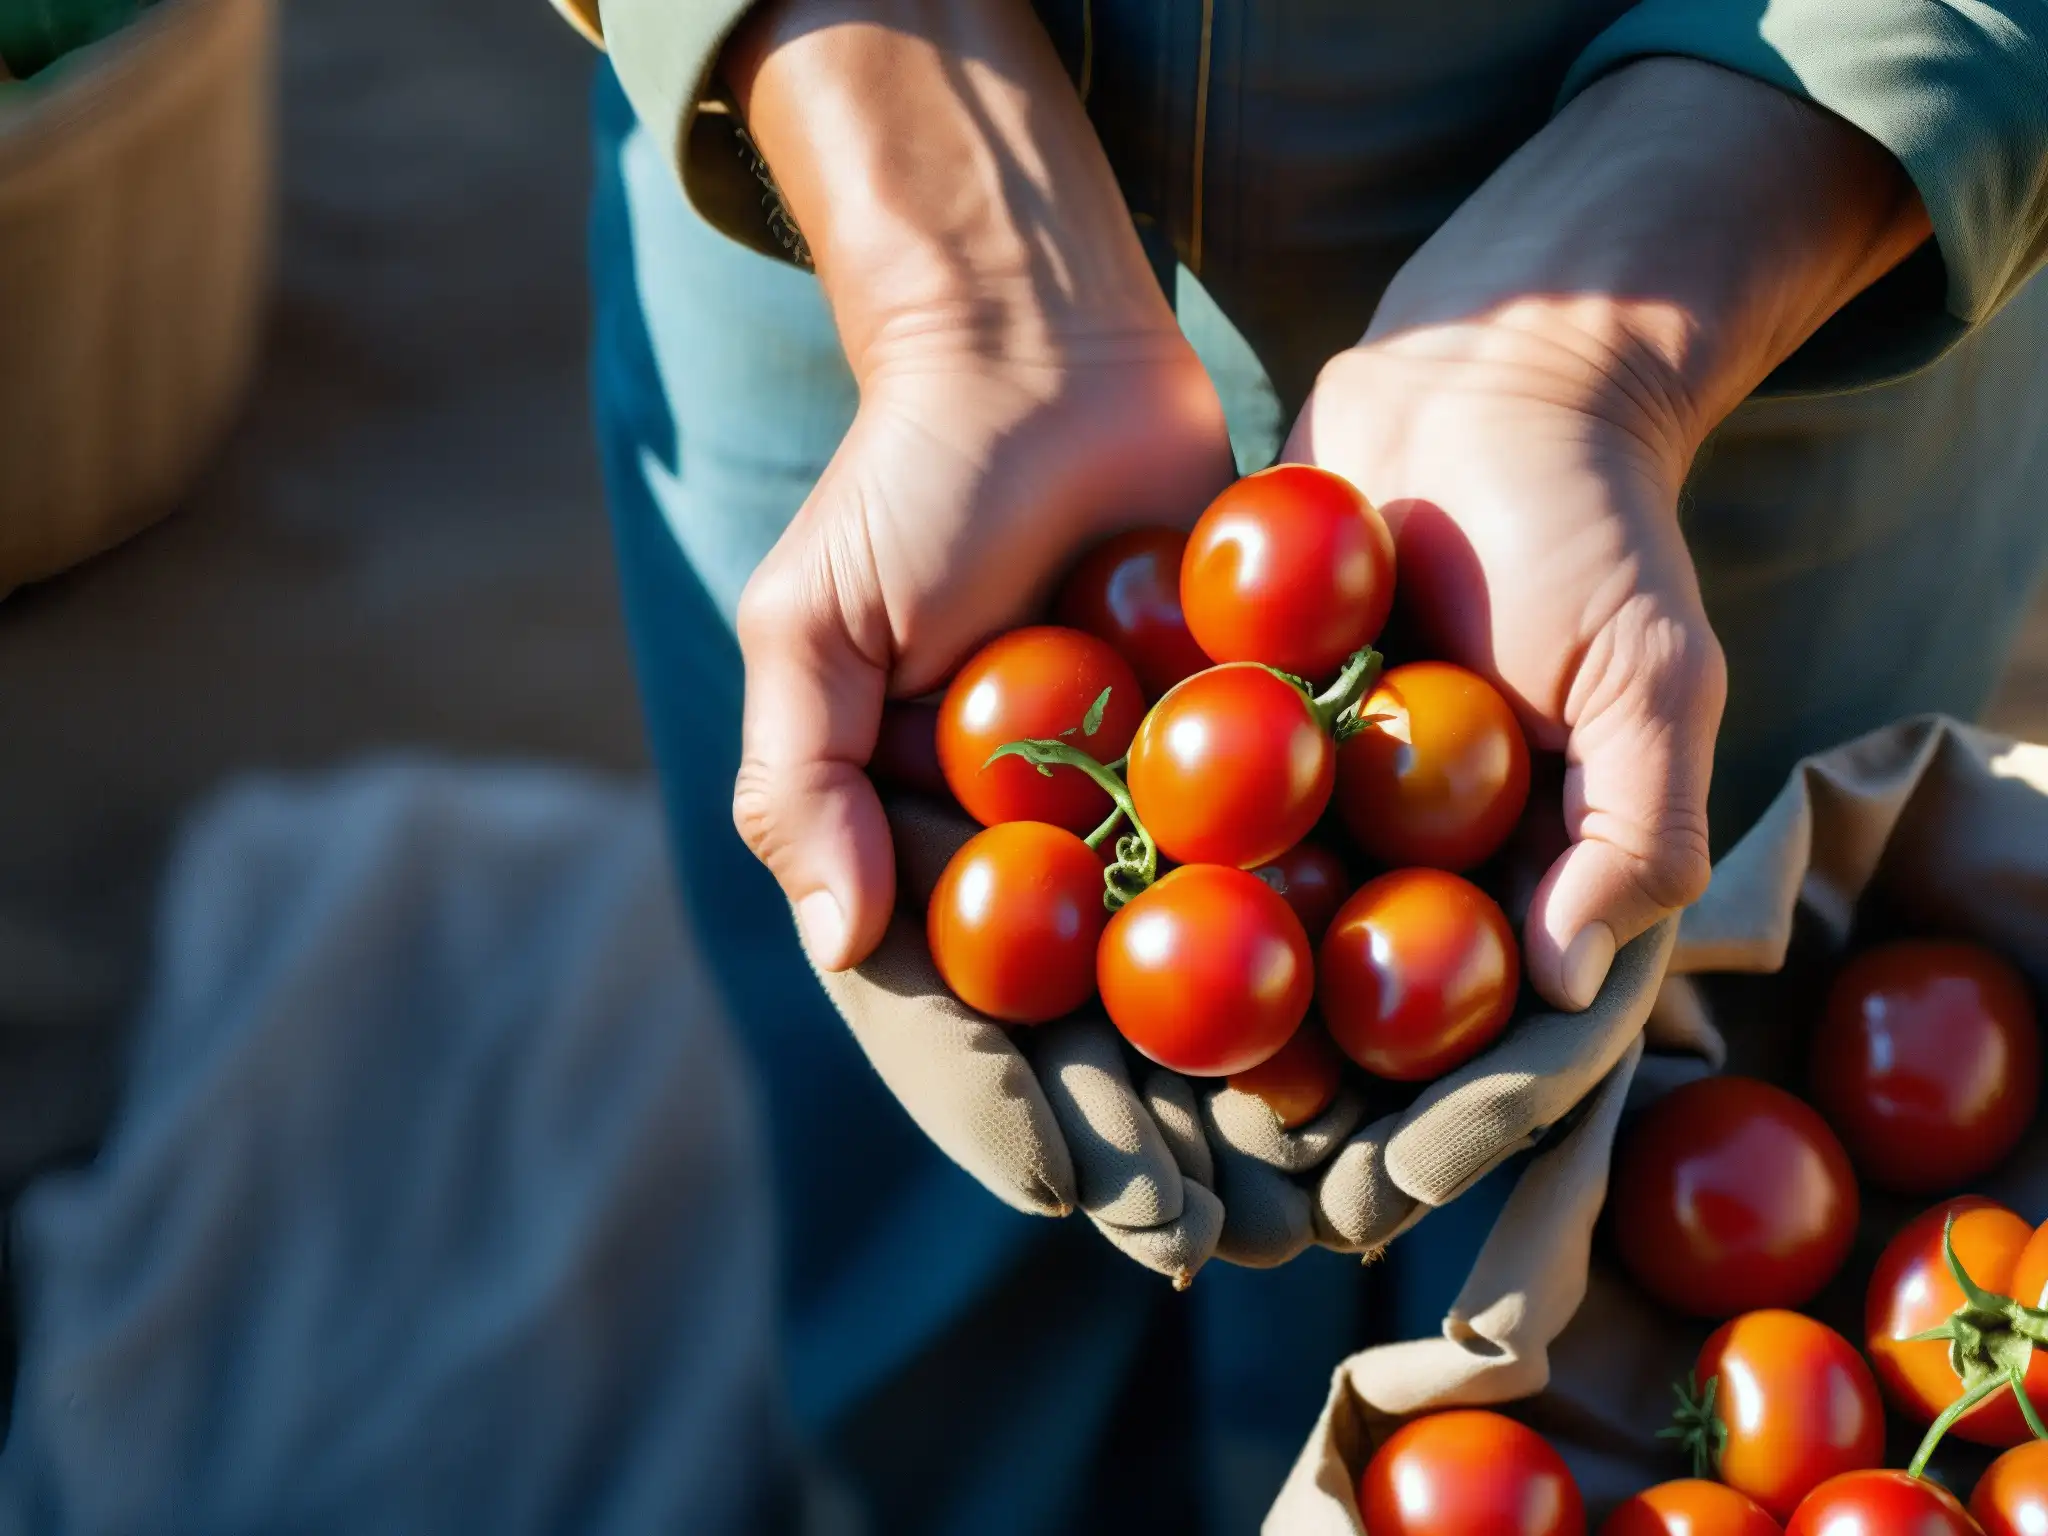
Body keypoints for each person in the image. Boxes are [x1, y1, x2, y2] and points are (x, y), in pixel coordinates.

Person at [560, 0, 2048, 1528]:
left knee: (1575, 1211)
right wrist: (945, 255)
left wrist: (1599, 338)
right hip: (836, 193)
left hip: (1756, 268)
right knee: (926, 1249)